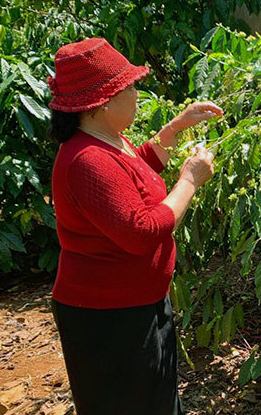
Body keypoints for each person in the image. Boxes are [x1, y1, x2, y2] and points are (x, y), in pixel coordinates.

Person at [47, 37, 222, 414]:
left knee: (155, 400)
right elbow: (141, 231)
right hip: (109, 319)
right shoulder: (86, 160)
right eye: (130, 87)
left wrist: (176, 127)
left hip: (137, 301)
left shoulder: (105, 139)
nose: (137, 93)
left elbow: (135, 172)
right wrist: (189, 180)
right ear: (104, 102)